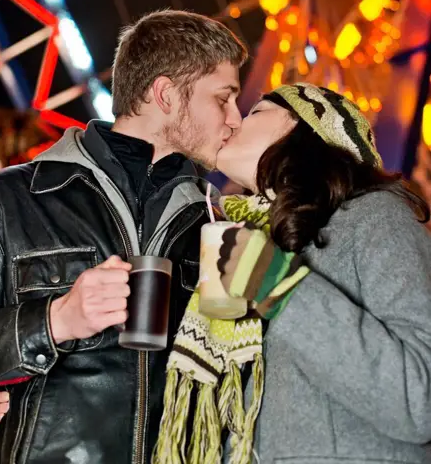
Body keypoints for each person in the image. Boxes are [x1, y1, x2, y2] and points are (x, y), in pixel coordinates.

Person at [0, 9, 246, 464]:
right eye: (224, 99)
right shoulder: (6, 201)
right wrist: (55, 320)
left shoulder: (219, 224)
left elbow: (238, 379)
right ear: (165, 93)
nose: (235, 119)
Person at [153, 83, 431, 464]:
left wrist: (278, 286)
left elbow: (421, 401)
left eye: (254, 112)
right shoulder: (246, 240)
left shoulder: (377, 215)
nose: (232, 121)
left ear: (308, 129)